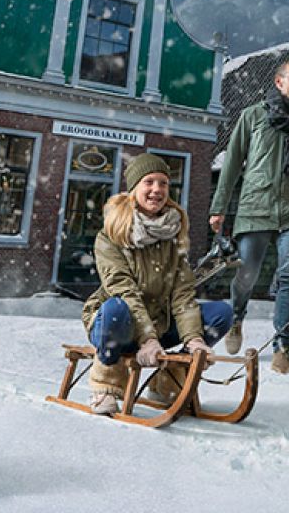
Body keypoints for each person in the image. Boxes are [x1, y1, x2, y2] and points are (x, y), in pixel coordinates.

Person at [209, 61, 289, 375]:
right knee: (247, 275)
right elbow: (232, 163)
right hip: (256, 206)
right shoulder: (252, 116)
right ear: (278, 82)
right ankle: (237, 317)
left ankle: (283, 347)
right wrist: (219, 206)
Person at [81, 153, 233, 415]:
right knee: (116, 308)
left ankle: (169, 380)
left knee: (221, 314)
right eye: (149, 182)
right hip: (118, 326)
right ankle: (105, 385)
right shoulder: (110, 235)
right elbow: (122, 288)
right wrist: (147, 338)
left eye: (163, 183)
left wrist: (194, 339)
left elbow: (183, 294)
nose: (157, 189)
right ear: (134, 189)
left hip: (160, 323)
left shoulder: (173, 235)